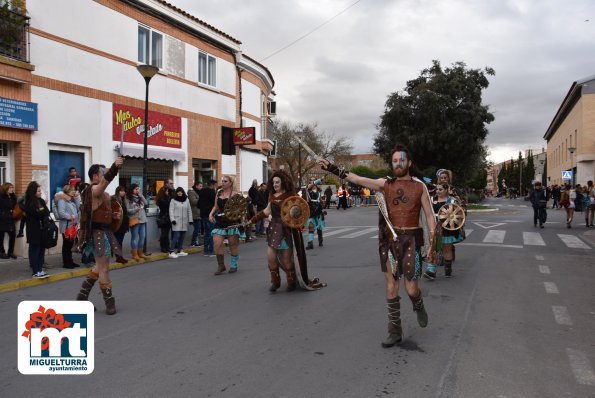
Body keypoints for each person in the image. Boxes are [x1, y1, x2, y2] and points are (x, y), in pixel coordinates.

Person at [318, 144, 436, 348]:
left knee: (411, 288)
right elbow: (356, 178)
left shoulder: (419, 187)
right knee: (391, 285)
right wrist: (331, 167)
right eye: (395, 161)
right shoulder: (385, 184)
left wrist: (433, 243)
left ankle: (418, 304)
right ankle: (394, 331)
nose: (398, 164)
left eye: (402, 160)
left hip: (411, 241)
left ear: (409, 162)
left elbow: (429, 216)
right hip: (390, 241)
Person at [250, 170, 326, 292]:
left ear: (283, 183)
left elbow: (300, 209)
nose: (275, 185)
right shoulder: (271, 196)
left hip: (287, 231)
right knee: (271, 258)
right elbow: (266, 211)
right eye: (273, 182)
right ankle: (275, 282)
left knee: (287, 260)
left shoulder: (291, 195)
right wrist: (252, 220)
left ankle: (291, 281)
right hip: (274, 229)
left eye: (277, 182)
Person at [75, 159, 127, 314]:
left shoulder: (104, 195)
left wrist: (114, 215)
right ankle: (109, 303)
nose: (104, 175)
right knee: (104, 269)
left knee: (99, 267)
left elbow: (104, 215)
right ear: (95, 176)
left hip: (105, 232)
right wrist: (115, 168)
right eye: (102, 173)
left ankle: (81, 298)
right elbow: (105, 182)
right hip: (97, 234)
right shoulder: (92, 191)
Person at [423, 183, 464, 279]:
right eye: (437, 189)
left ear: (446, 190)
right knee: (433, 248)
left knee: (447, 249)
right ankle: (431, 271)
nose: (438, 191)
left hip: (448, 228)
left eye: (440, 189)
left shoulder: (452, 200)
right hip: (435, 227)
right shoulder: (432, 200)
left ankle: (448, 270)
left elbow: (458, 214)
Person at [209, 175, 242, 275]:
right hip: (220, 221)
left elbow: (241, 209)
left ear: (231, 183)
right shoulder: (218, 193)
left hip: (232, 221)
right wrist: (210, 214)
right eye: (222, 181)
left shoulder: (236, 194)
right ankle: (221, 266)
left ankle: (234, 264)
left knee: (233, 244)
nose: (222, 183)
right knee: (217, 243)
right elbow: (215, 206)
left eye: (225, 181)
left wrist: (242, 219)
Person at [24, 182, 51, 278]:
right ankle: (35, 271)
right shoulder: (29, 202)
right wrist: (42, 211)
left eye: (40, 191)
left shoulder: (41, 201)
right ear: (33, 191)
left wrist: (42, 211)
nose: (40, 193)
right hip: (33, 230)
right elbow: (37, 214)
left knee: (41, 250)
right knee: (35, 250)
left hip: (42, 229)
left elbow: (46, 212)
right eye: (38, 191)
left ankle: (40, 269)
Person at [55, 184, 81, 268]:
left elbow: (78, 208)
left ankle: (70, 261)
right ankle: (66, 263)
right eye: (72, 190)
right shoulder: (62, 201)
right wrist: (72, 217)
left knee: (70, 245)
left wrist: (77, 198)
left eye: (74, 190)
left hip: (72, 226)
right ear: (67, 191)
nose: (74, 191)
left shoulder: (71, 201)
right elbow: (61, 213)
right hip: (66, 227)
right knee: (66, 245)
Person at [127, 183, 149, 260]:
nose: (138, 190)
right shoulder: (128, 199)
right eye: (136, 189)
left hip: (142, 220)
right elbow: (127, 210)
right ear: (132, 190)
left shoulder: (140, 198)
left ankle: (141, 253)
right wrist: (134, 210)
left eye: (138, 189)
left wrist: (141, 195)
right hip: (135, 220)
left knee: (142, 237)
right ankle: (134, 254)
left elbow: (146, 203)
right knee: (134, 237)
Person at [169, 187, 193, 257]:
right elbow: (171, 210)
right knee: (176, 236)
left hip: (184, 221)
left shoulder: (186, 200)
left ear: (183, 192)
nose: (180, 193)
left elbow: (189, 210)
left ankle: (179, 250)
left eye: (181, 191)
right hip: (176, 221)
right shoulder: (173, 200)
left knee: (182, 237)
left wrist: (190, 220)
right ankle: (171, 251)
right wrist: (172, 219)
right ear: (176, 193)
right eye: (178, 192)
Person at [303, 177, 325, 250]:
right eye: (311, 180)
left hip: (318, 210)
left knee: (319, 227)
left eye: (314, 180)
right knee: (311, 226)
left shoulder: (319, 191)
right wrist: (320, 179)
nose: (312, 182)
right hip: (311, 210)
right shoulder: (308, 189)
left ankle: (320, 240)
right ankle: (310, 243)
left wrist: (322, 203)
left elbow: (321, 200)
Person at [156, 180, 174, 254]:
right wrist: (168, 197)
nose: (167, 192)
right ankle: (163, 247)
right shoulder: (161, 199)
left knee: (166, 234)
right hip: (164, 217)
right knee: (164, 234)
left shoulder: (168, 196)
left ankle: (167, 247)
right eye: (166, 191)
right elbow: (167, 205)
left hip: (168, 217)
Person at [198, 179, 216, 256]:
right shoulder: (212, 192)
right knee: (211, 232)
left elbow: (198, 204)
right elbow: (215, 204)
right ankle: (211, 250)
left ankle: (206, 250)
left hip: (203, 214)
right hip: (210, 214)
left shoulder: (201, 191)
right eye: (215, 185)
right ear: (212, 185)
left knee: (206, 233)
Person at [0, 182, 17, 259]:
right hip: (2, 219)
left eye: (12, 187)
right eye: (10, 188)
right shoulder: (1, 197)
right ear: (6, 189)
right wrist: (4, 213)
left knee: (12, 235)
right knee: (1, 236)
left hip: (11, 219)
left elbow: (15, 206)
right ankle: (2, 252)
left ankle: (10, 252)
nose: (12, 189)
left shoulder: (13, 197)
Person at [187, 181, 202, 247]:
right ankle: (193, 242)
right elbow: (193, 202)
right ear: (196, 186)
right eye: (200, 186)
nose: (201, 188)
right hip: (195, 214)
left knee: (198, 229)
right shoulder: (191, 192)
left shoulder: (198, 192)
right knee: (197, 228)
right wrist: (202, 199)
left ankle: (196, 242)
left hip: (199, 213)